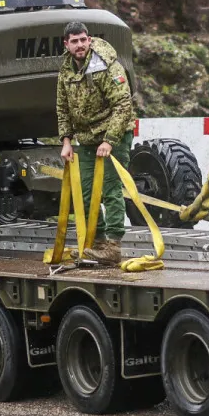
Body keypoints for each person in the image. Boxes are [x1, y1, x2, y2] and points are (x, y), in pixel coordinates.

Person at [55, 21, 137, 265]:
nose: (80, 45)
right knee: (87, 192)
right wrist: (66, 141)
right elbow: (62, 108)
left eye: (83, 40)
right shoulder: (66, 70)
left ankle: (113, 246)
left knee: (110, 190)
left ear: (89, 40)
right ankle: (97, 242)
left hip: (115, 135)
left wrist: (110, 141)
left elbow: (123, 105)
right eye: (75, 41)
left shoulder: (106, 66)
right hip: (88, 140)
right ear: (66, 44)